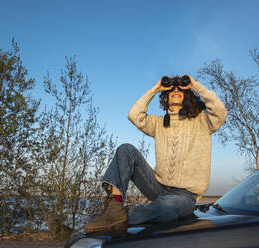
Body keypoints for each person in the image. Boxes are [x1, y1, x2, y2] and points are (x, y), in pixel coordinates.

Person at [83, 74, 227, 233]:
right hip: (157, 186)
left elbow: (220, 110)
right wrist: (155, 89)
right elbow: (134, 115)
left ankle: (121, 218)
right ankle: (114, 208)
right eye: (171, 89)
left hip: (185, 197)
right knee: (126, 150)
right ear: (165, 98)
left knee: (166, 208)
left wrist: (194, 85)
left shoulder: (202, 121)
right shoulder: (159, 123)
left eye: (181, 89)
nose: (176, 90)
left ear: (187, 95)